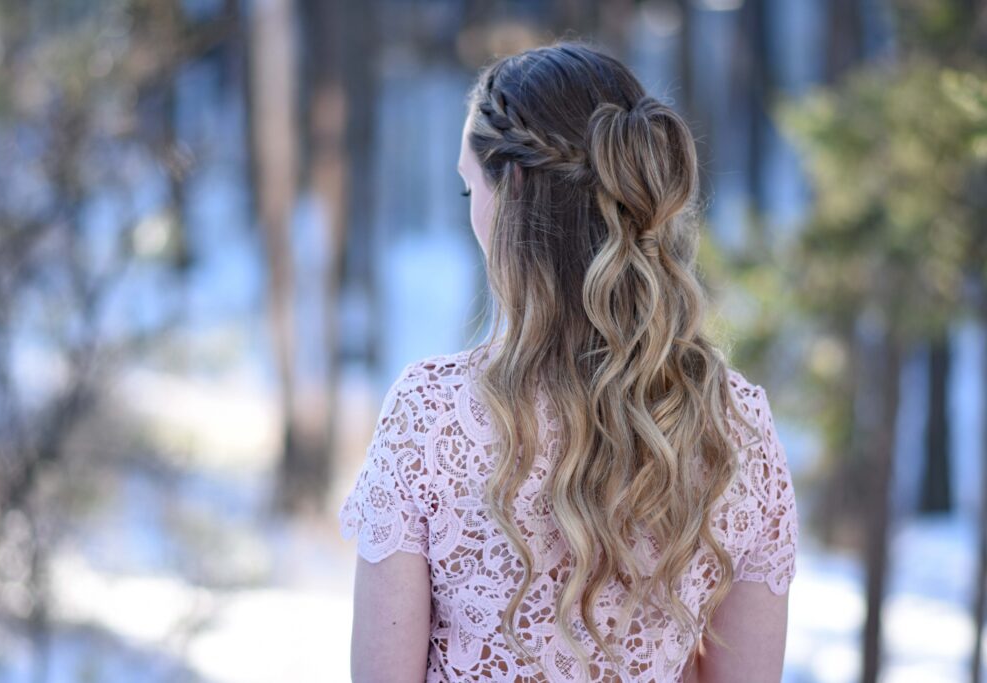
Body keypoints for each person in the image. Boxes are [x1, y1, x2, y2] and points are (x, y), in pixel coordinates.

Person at [339, 39, 799, 683]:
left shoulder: (431, 418)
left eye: (470, 187)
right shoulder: (735, 425)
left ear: (515, 186)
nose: (473, 212)